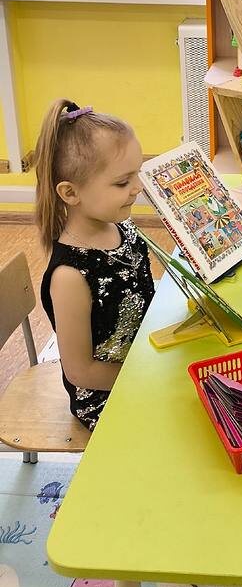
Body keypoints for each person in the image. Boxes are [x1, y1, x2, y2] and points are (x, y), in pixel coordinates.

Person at [35, 100, 154, 430]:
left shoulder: (123, 228)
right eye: (122, 182)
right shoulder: (70, 276)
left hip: (145, 360)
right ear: (70, 193)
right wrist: (150, 376)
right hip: (106, 396)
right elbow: (80, 371)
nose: (138, 188)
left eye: (137, 174)